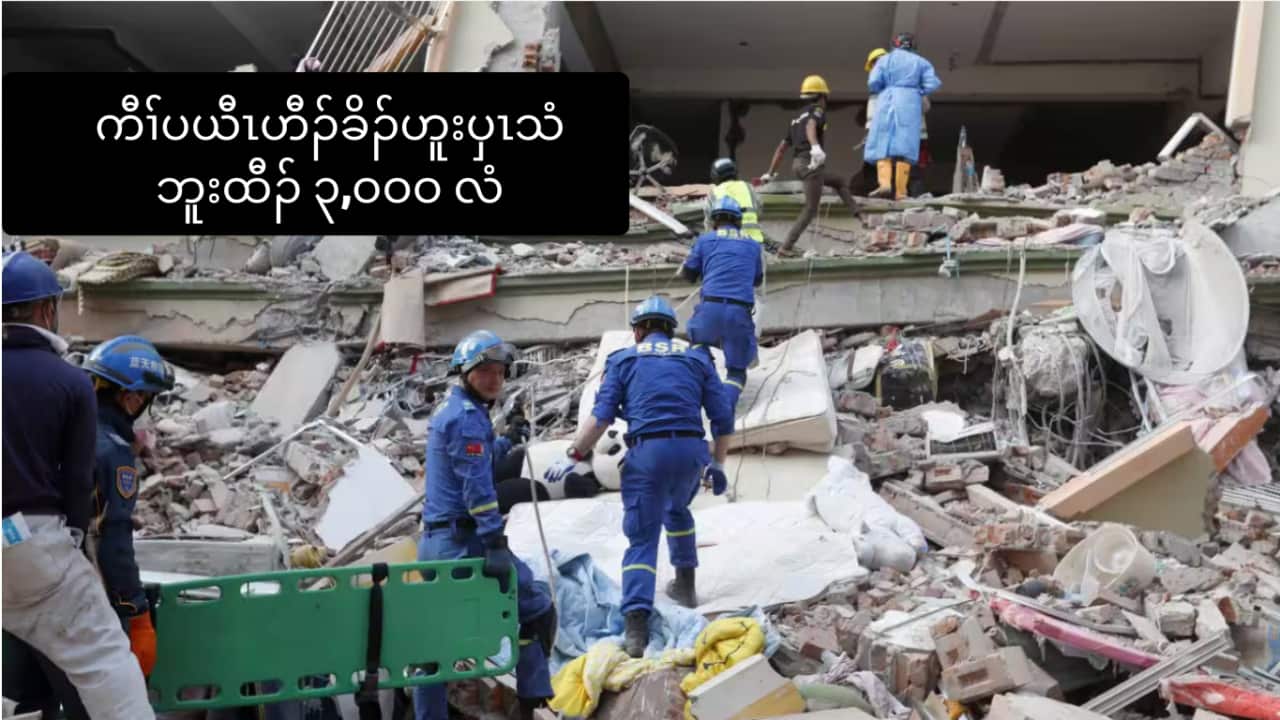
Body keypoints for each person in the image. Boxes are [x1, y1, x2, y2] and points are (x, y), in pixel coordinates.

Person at [1, 251, 156, 719]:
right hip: (29, 540)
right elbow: (76, 483)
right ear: (48, 309)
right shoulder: (70, 383)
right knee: (106, 662)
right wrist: (69, 540)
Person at [543, 296, 735, 658]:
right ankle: (686, 584)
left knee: (642, 538)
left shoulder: (623, 360)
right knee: (678, 511)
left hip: (649, 454)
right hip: (692, 452)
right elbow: (723, 419)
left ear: (639, 330)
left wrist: (574, 454)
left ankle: (635, 626)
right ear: (668, 329)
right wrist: (719, 464)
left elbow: (601, 417)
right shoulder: (697, 358)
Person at [416, 330, 556, 720]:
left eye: (499, 372)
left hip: (436, 543)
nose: (494, 379)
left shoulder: (458, 409)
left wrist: (507, 438)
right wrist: (494, 540)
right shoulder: (466, 418)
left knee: (435, 642)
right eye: (485, 372)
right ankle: (529, 704)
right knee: (536, 607)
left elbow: (474, 460)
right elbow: (477, 487)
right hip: (463, 545)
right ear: (464, 372)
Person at [761, 75, 861, 257]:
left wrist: (770, 173)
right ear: (822, 96)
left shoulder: (795, 119)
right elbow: (811, 126)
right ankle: (786, 247)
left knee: (839, 181)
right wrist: (815, 147)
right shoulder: (817, 110)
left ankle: (858, 214)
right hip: (810, 165)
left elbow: (782, 148)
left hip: (798, 165)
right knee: (810, 209)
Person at [683, 196, 764, 410]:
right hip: (739, 311)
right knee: (737, 370)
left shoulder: (705, 240)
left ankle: (700, 383)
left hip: (709, 309)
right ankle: (725, 410)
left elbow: (688, 275)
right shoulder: (753, 245)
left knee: (698, 346)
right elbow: (757, 280)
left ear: (714, 219)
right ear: (738, 220)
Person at [865, 32, 941, 200]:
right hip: (910, 103)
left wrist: (887, 88)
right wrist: (917, 92)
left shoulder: (885, 60)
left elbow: (874, 82)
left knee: (882, 144)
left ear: (895, 44)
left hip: (888, 99)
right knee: (905, 148)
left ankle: (884, 184)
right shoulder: (921, 62)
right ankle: (901, 192)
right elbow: (932, 83)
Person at [705, 158, 765, 244]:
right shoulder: (748, 187)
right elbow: (759, 212)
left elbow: (709, 223)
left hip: (727, 244)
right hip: (754, 242)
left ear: (715, 176)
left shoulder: (714, 192)